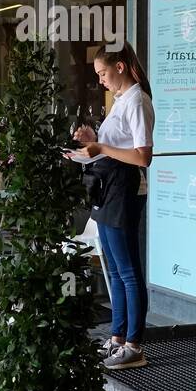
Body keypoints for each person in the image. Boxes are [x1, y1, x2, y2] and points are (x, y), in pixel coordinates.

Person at [69, 43, 155, 370]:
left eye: (103, 73)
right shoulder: (121, 101)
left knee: (128, 270)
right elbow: (114, 145)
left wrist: (100, 145)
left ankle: (135, 344)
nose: (101, 81)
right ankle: (118, 336)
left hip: (124, 190)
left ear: (120, 67)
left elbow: (143, 156)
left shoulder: (137, 101)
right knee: (115, 269)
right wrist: (93, 139)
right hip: (108, 190)